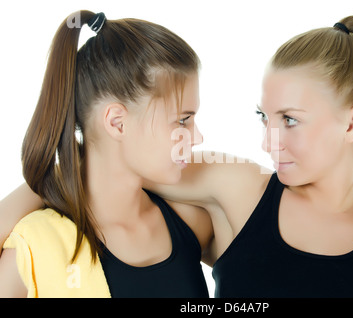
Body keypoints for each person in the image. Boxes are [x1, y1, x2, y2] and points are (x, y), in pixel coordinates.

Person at [0, 13, 353, 298]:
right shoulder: (237, 190)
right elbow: (95, 166)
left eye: (289, 119)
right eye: (262, 116)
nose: (268, 141)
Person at [0, 10, 212, 298]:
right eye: (182, 120)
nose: (197, 137)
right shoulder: (32, 250)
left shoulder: (191, 222)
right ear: (117, 122)